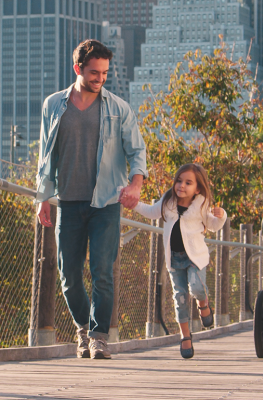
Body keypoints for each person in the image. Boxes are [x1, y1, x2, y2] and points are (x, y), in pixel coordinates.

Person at [36, 39, 147, 360]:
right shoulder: (54, 105)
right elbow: (46, 155)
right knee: (69, 276)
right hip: (68, 202)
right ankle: (83, 329)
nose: (100, 78)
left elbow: (137, 151)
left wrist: (136, 183)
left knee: (102, 272)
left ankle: (98, 337)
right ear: (78, 69)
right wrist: (43, 197)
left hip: (106, 203)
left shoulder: (118, 108)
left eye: (104, 73)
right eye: (94, 72)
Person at [133, 163, 227, 359]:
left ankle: (203, 304)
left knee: (197, 288)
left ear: (198, 188)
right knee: (181, 297)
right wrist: (133, 203)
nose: (181, 186)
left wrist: (221, 216)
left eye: (188, 182)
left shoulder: (201, 205)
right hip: (174, 258)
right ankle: (185, 336)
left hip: (195, 257)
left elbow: (213, 225)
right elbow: (151, 212)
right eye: (179, 180)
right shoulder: (168, 201)